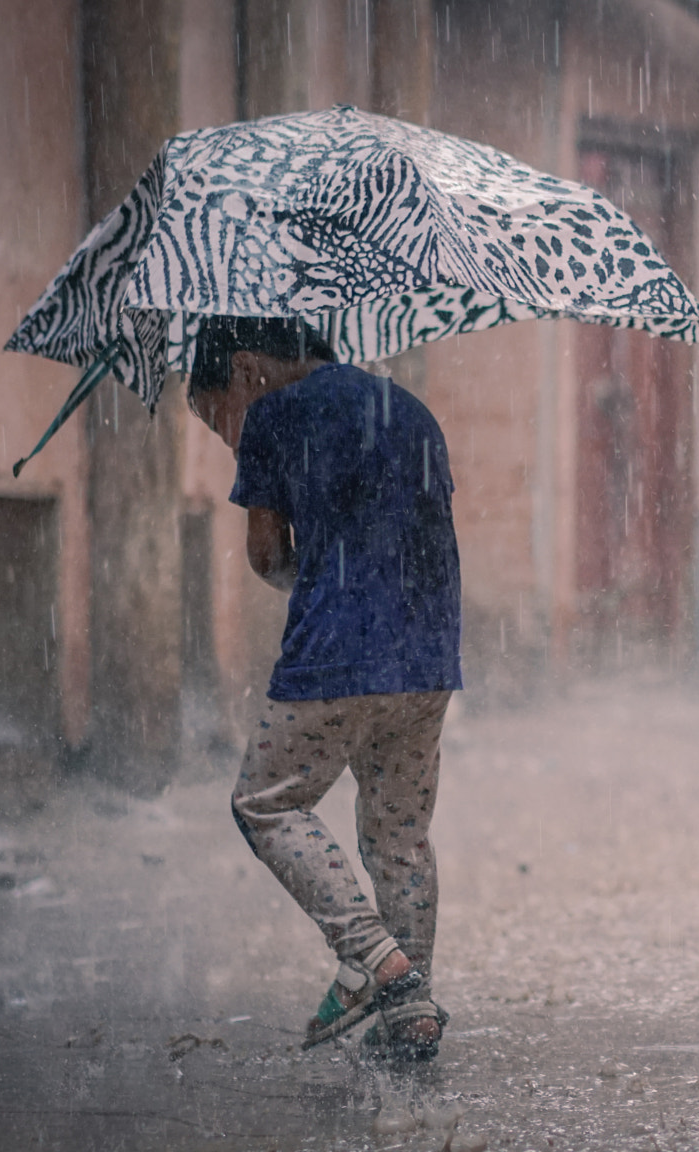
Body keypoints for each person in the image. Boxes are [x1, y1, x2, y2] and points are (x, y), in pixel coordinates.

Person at [186, 316, 463, 1062]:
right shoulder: (409, 411)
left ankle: (378, 961)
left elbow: (269, 553)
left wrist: (305, 574)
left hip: (335, 657)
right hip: (429, 659)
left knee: (266, 802)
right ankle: (413, 1013)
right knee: (399, 834)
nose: (228, 440)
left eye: (217, 421)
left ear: (245, 370)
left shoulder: (275, 415)